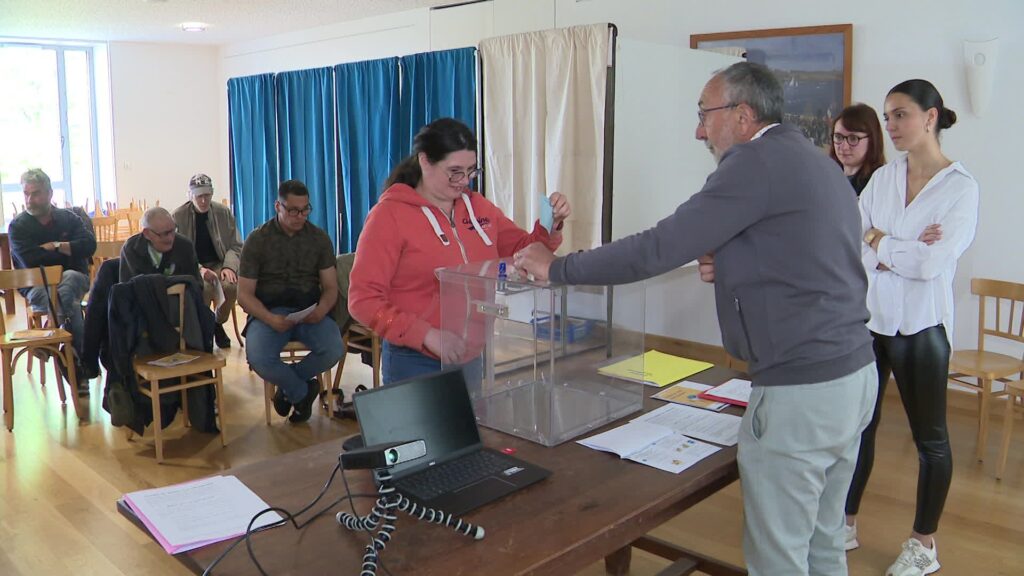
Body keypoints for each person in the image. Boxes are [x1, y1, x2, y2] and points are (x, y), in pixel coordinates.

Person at [514, 62, 875, 576]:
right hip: (853, 375)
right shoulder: (813, 161)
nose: (699, 131)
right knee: (823, 544)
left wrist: (558, 268)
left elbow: (659, 246)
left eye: (705, 115)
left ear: (743, 115)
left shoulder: (754, 162)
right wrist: (733, 264)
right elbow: (810, 257)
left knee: (779, 558)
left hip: (802, 390)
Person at [845, 79, 978, 576]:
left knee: (931, 440)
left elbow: (930, 264)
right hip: (872, 321)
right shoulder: (882, 179)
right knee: (860, 427)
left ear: (931, 117)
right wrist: (893, 244)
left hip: (922, 328)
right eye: (887, 116)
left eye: (900, 114)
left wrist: (880, 240)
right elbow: (851, 243)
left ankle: (923, 545)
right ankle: (844, 523)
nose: (891, 125)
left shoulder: (960, 188)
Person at [348, 117, 570, 385]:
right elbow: (363, 300)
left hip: (472, 355)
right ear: (425, 161)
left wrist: (551, 223)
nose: (464, 181)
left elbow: (525, 251)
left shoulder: (479, 208)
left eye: (471, 171)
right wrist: (426, 334)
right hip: (415, 359)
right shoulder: (389, 216)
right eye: (454, 172)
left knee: (469, 415)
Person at [238, 179, 343, 423]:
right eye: (293, 210)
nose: (300, 216)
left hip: (309, 311)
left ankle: (288, 390)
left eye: (305, 210)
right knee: (259, 358)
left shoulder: (318, 239)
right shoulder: (258, 240)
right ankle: (302, 391)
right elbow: (244, 295)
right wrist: (269, 318)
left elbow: (330, 287)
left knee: (334, 348)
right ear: (278, 206)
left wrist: (322, 310)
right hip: (269, 312)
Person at [9, 168, 97, 383]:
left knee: (69, 279)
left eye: (36, 193)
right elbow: (31, 260)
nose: (30, 200)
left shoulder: (69, 218)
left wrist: (55, 245)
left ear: (49, 193)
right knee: (69, 300)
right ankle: (78, 368)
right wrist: (68, 251)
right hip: (36, 286)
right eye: (26, 194)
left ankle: (50, 333)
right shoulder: (18, 227)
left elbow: (89, 246)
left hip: (76, 279)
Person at [171, 173, 243, 349]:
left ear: (212, 193)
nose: (203, 200)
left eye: (207, 195)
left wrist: (229, 267)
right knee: (204, 288)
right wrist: (199, 269)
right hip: (193, 266)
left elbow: (236, 245)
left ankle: (217, 323)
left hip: (219, 262)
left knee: (230, 287)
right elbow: (176, 251)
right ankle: (204, 326)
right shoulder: (178, 216)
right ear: (190, 195)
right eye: (199, 196)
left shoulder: (223, 212)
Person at [119, 207, 201, 282]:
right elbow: (128, 288)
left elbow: (196, 285)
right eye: (165, 234)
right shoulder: (131, 249)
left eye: (173, 230)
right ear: (147, 233)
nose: (170, 238)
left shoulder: (185, 246)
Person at [829, 103, 886, 196]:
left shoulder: (880, 184)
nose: (844, 147)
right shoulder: (827, 176)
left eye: (853, 138)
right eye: (838, 137)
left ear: (872, 140)